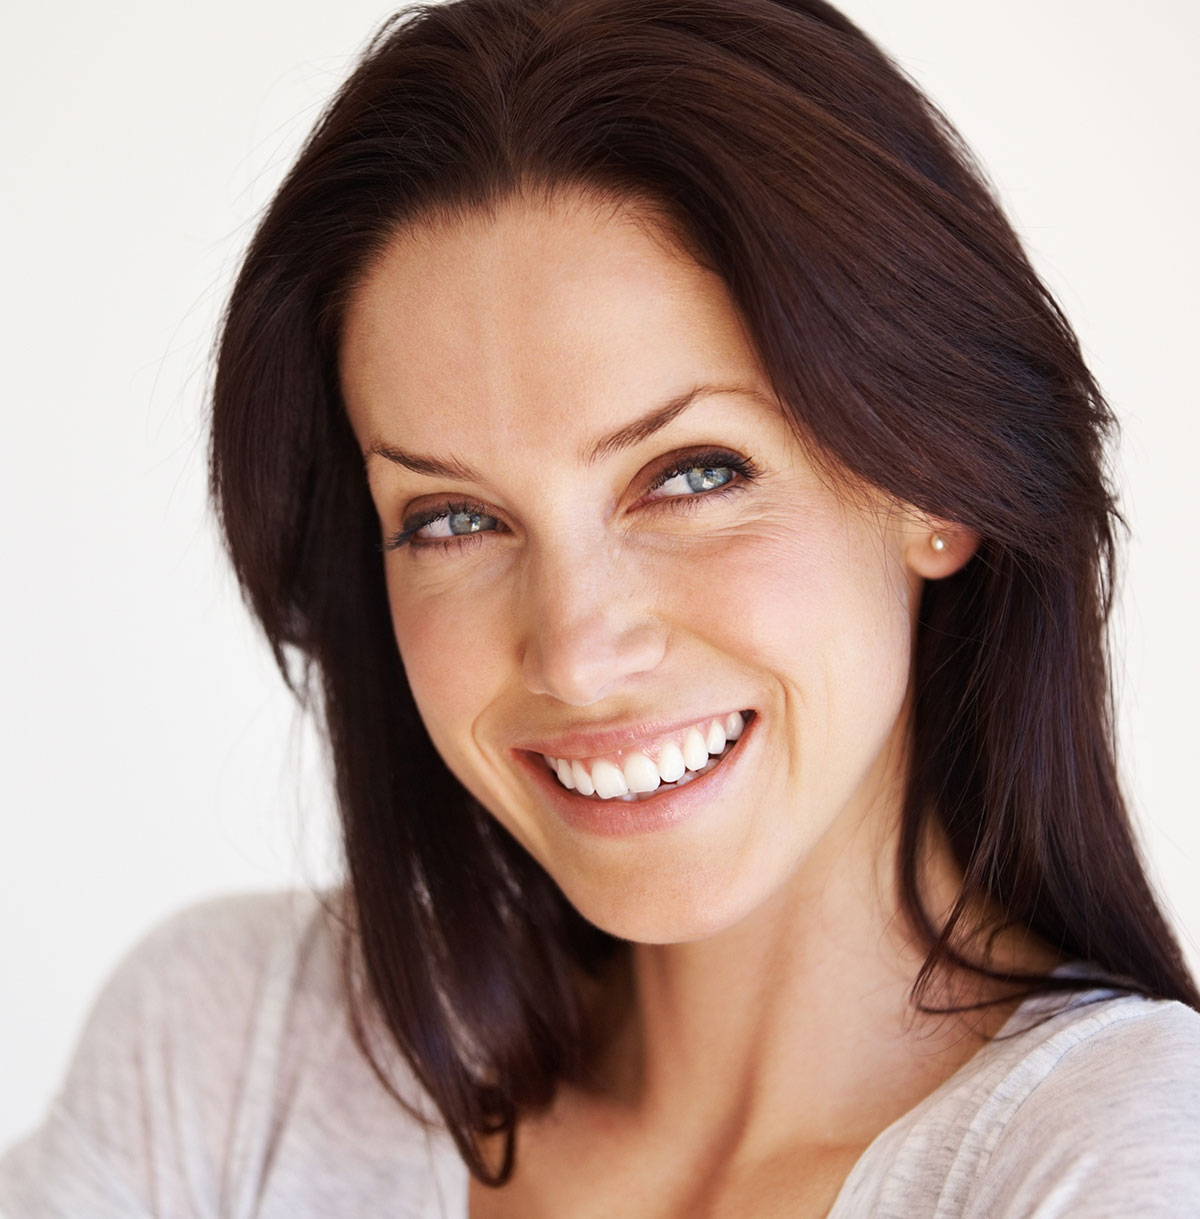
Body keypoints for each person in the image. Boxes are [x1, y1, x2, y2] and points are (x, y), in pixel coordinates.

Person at [3, 0, 1199, 1215]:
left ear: (936, 484)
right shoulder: (227, 1063)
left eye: (693, 474)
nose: (575, 654)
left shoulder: (1116, 1160)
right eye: (453, 518)